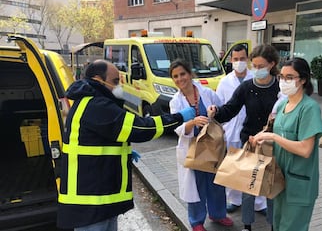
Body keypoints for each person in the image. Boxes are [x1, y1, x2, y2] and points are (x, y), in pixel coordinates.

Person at [57, 60, 196, 231]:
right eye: (115, 81)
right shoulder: (96, 105)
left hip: (96, 196)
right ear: (98, 79)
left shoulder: (91, 101)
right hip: (90, 201)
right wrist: (179, 117)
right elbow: (140, 127)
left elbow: (102, 137)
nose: (119, 86)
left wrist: (123, 150)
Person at [207, 44, 281, 231]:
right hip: (250, 141)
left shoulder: (280, 87)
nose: (256, 70)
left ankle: (273, 225)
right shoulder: (247, 87)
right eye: (254, 65)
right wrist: (216, 112)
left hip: (274, 143)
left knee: (271, 187)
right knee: (248, 186)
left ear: (272, 64)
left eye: (261, 66)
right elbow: (230, 109)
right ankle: (247, 226)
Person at [249, 57, 322, 231]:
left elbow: (306, 150)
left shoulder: (309, 108)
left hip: (299, 183)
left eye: (289, 77)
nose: (283, 81)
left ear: (303, 79)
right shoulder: (283, 105)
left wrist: (274, 138)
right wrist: (262, 137)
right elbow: (277, 135)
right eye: (281, 76)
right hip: (280, 180)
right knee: (278, 225)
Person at [169, 59, 233, 231]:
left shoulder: (206, 93)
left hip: (212, 144)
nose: (180, 79)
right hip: (192, 147)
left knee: (216, 182)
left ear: (190, 74)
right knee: (195, 186)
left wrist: (214, 111)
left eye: (182, 74)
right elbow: (176, 127)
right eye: (175, 76)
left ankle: (218, 214)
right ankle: (196, 221)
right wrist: (192, 123)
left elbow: (221, 110)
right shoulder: (175, 101)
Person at [215, 44, 268, 215]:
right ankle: (235, 200)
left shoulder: (256, 78)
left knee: (255, 168)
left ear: (248, 60)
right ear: (231, 61)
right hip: (230, 131)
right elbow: (223, 107)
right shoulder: (224, 82)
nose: (239, 62)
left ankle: (260, 203)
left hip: (252, 132)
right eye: (236, 59)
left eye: (242, 59)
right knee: (233, 167)